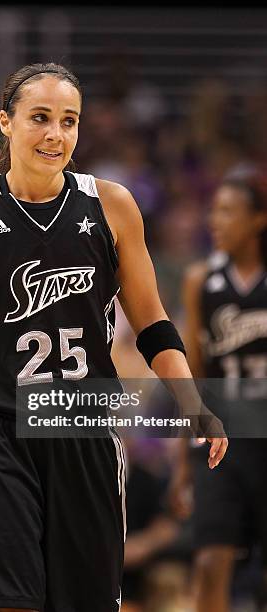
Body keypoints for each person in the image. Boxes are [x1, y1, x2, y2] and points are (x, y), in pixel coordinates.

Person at [0, 62, 227, 612]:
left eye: (69, 121)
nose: (56, 134)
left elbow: (151, 322)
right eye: (40, 118)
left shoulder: (112, 206)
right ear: (6, 123)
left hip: (84, 428)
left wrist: (192, 403)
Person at [170, 170, 267, 612]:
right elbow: (192, 373)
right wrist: (183, 465)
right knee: (209, 563)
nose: (215, 220)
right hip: (222, 440)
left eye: (227, 211)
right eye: (214, 210)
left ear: (259, 219)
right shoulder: (200, 281)